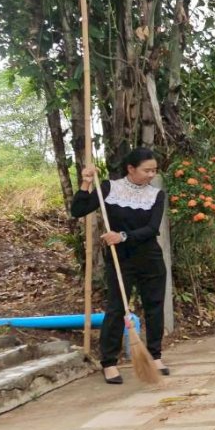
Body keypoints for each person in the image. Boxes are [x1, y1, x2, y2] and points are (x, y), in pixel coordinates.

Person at [70, 147, 169, 383]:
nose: (151, 175)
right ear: (131, 168)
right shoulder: (109, 188)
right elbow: (78, 210)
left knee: (154, 306)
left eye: (154, 171)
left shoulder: (156, 195)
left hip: (150, 257)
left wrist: (122, 236)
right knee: (116, 308)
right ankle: (109, 363)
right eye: (146, 170)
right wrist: (86, 182)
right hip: (120, 258)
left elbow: (151, 229)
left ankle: (155, 356)